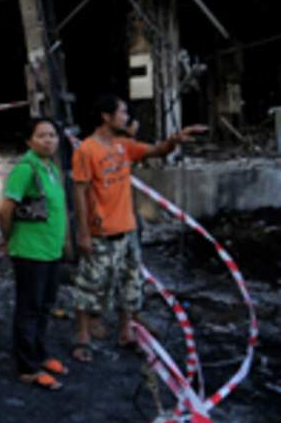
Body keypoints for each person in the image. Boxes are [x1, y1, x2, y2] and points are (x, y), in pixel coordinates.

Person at [70, 95, 206, 363]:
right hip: (102, 233)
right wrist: (83, 232)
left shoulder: (123, 146)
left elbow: (156, 151)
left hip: (128, 230)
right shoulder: (86, 150)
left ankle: (126, 333)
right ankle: (82, 339)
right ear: (106, 117)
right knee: (90, 287)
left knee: (130, 285)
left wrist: (175, 140)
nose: (127, 118)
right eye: (122, 113)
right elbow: (79, 193)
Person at [0, 118, 70, 390]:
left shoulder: (49, 167)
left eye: (52, 135)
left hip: (50, 251)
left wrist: (62, 242)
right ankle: (27, 367)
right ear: (29, 141)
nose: (49, 140)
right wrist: (7, 239)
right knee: (28, 309)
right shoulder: (25, 169)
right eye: (42, 135)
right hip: (30, 251)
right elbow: (6, 210)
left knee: (44, 307)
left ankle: (39, 354)